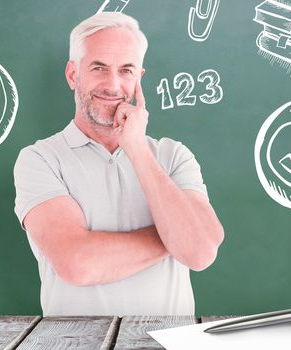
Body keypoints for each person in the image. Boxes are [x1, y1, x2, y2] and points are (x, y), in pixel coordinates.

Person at [13, 12, 224, 316]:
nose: (113, 85)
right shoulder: (40, 159)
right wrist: (173, 238)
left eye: (126, 71)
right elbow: (76, 264)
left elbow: (201, 253)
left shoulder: (173, 155)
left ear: (138, 79)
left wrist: (137, 150)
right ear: (73, 75)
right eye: (99, 68)